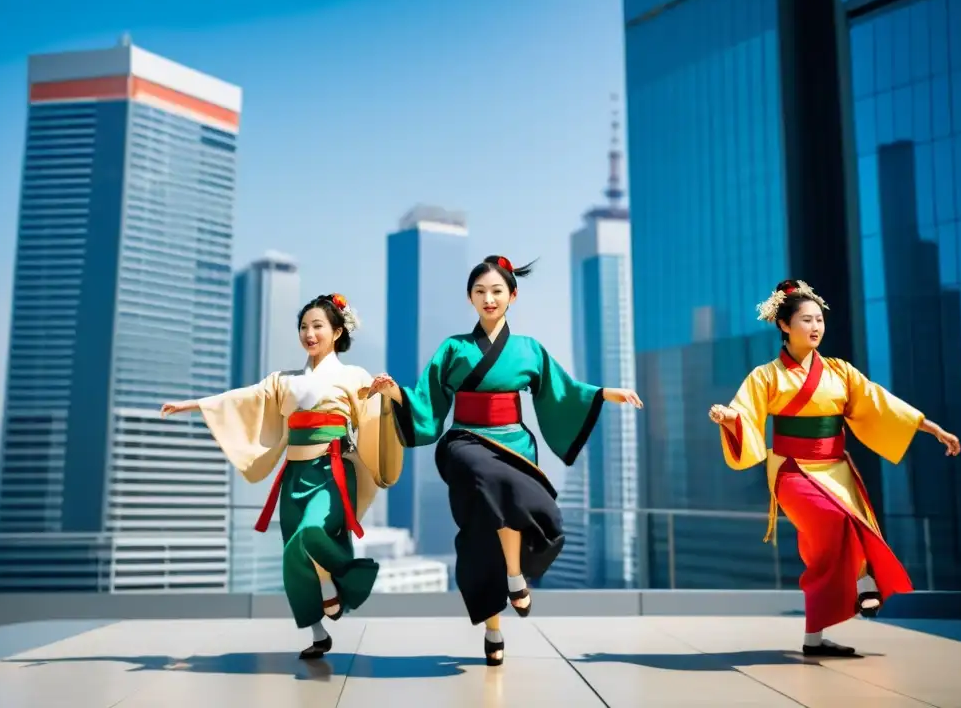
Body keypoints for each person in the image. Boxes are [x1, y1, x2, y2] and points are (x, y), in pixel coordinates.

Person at [368, 255, 643, 666]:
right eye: (480, 291)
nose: (489, 298)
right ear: (470, 298)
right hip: (465, 441)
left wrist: (604, 392)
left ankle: (509, 589)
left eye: (497, 291)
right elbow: (426, 399)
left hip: (514, 442)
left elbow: (562, 389)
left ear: (512, 295)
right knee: (485, 480)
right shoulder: (454, 348)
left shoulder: (529, 349)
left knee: (507, 517)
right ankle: (497, 616)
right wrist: (394, 394)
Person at [708, 279, 960, 658]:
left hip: (836, 468)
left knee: (825, 547)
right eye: (806, 320)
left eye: (819, 320)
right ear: (784, 325)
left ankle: (814, 639)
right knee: (835, 521)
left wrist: (931, 427)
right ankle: (863, 581)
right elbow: (744, 411)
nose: (815, 327)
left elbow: (880, 403)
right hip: (792, 469)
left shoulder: (840, 371)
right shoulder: (767, 376)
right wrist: (729, 418)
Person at [160, 293, 403, 659]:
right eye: (304, 327)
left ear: (337, 331)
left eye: (318, 326)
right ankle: (318, 632)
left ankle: (346, 580)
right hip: (294, 477)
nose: (309, 333)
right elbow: (243, 398)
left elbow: (375, 416)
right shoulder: (283, 381)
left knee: (310, 533)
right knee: (293, 551)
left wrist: (386, 393)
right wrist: (194, 405)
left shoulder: (354, 377)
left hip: (332, 473)